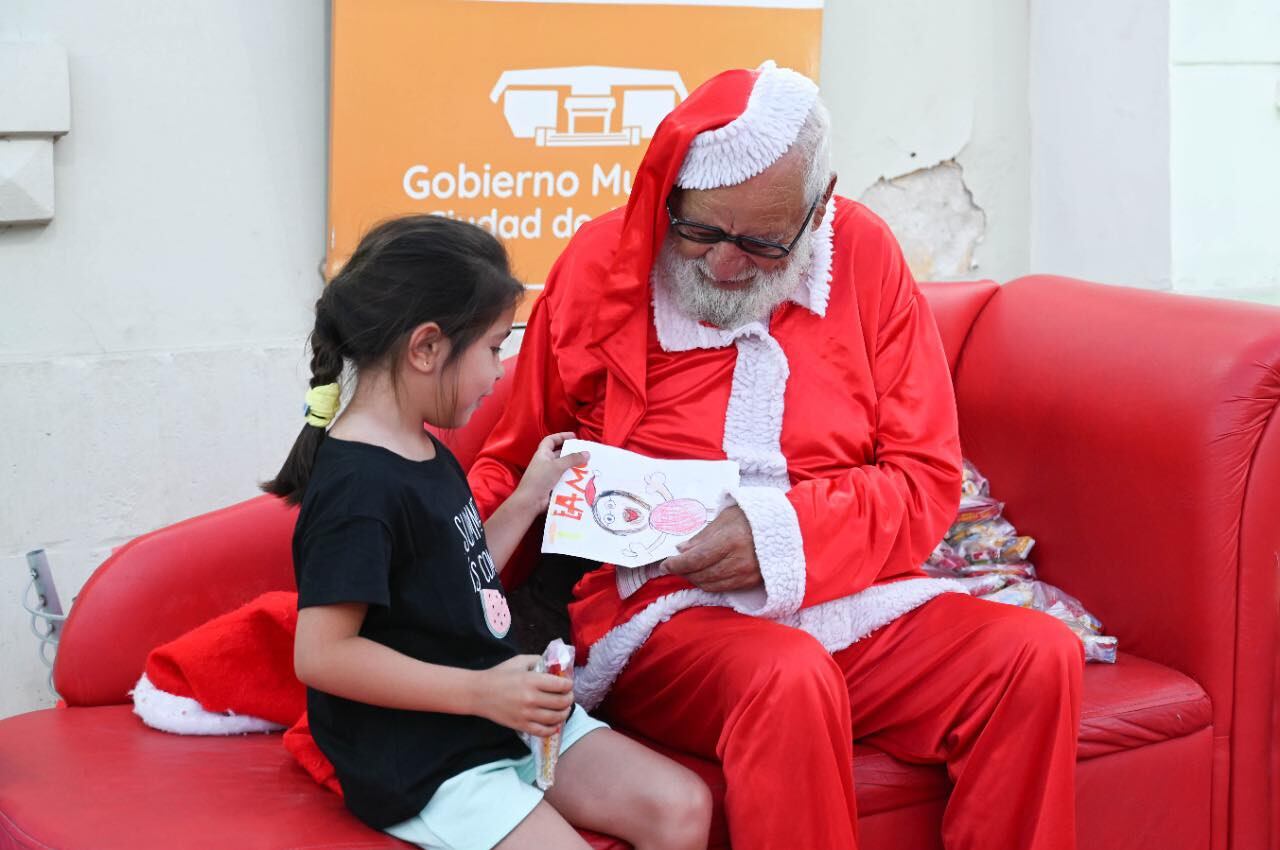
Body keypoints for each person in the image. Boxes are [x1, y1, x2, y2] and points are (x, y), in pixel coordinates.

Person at [468, 63, 1084, 850]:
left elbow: (925, 481)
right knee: (787, 677)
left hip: (850, 596)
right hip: (661, 612)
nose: (725, 265)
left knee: (1033, 658)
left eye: (761, 243)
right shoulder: (600, 265)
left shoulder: (864, 256)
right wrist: (440, 559)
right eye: (699, 232)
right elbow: (515, 460)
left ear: (819, 208)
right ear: (670, 200)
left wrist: (777, 535)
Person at [262, 215, 712, 850]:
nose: (500, 372)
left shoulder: (422, 446)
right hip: (427, 757)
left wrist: (532, 493)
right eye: (495, 347)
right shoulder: (357, 488)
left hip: (502, 715)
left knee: (683, 809)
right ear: (426, 348)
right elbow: (322, 654)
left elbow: (463, 574)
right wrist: (481, 691)